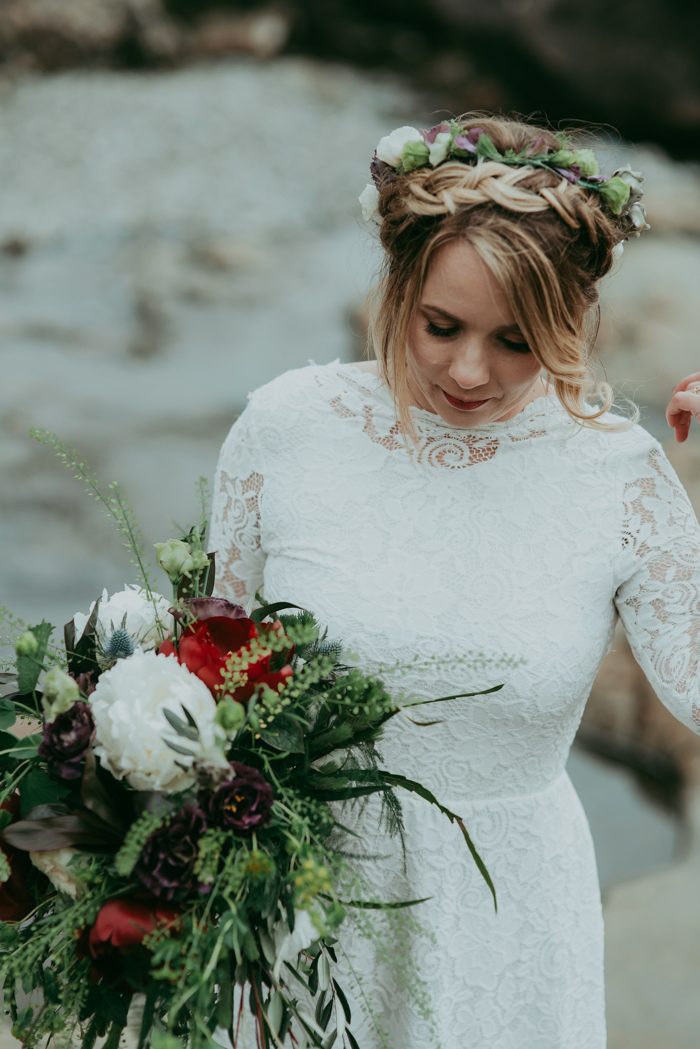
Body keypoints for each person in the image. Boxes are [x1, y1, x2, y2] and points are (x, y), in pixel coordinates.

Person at [207, 112, 700, 1049]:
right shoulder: (287, 428)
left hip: (512, 921)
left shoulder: (619, 473)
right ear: (395, 285)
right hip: (310, 908)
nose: (469, 371)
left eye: (517, 341)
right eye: (442, 326)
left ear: (573, 322)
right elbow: (215, 679)